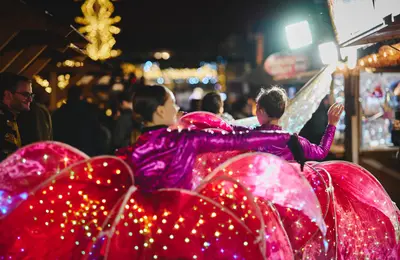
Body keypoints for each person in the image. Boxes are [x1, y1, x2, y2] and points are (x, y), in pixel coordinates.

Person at [116, 85, 293, 192]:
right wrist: (280, 135)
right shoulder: (185, 139)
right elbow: (236, 140)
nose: (177, 107)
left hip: (145, 224)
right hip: (179, 220)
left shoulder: (132, 150)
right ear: (160, 111)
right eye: (172, 103)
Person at [254, 86, 343, 163]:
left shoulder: (249, 138)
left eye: (257, 108)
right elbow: (321, 152)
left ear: (261, 111)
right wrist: (332, 124)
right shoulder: (294, 141)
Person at [0, 72, 33, 161]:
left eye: (31, 95)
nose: (30, 99)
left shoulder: (13, 117)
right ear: (8, 95)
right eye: (25, 95)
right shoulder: (3, 120)